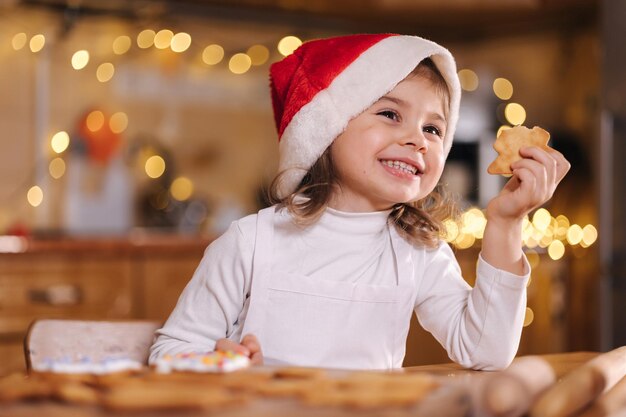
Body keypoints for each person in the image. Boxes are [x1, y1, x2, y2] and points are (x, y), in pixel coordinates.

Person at [149, 33, 570, 370]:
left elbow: (486, 352)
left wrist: (506, 224)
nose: (417, 140)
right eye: (390, 114)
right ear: (324, 131)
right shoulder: (252, 240)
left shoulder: (418, 253)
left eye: (434, 129)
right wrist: (218, 363)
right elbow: (171, 349)